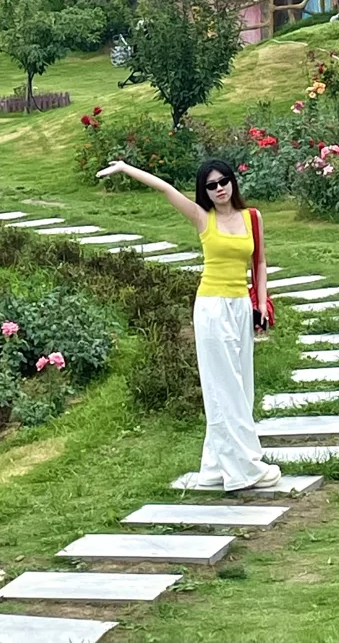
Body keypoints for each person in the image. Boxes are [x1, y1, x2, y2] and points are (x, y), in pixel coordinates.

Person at [95, 155, 282, 492]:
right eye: (211, 185)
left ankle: (214, 467)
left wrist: (260, 304)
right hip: (212, 307)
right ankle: (245, 469)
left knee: (241, 386)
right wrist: (125, 168)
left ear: (232, 181)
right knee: (223, 388)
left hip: (241, 305)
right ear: (204, 191)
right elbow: (166, 188)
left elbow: (260, 262)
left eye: (224, 181)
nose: (219, 189)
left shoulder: (252, 217)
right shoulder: (202, 218)